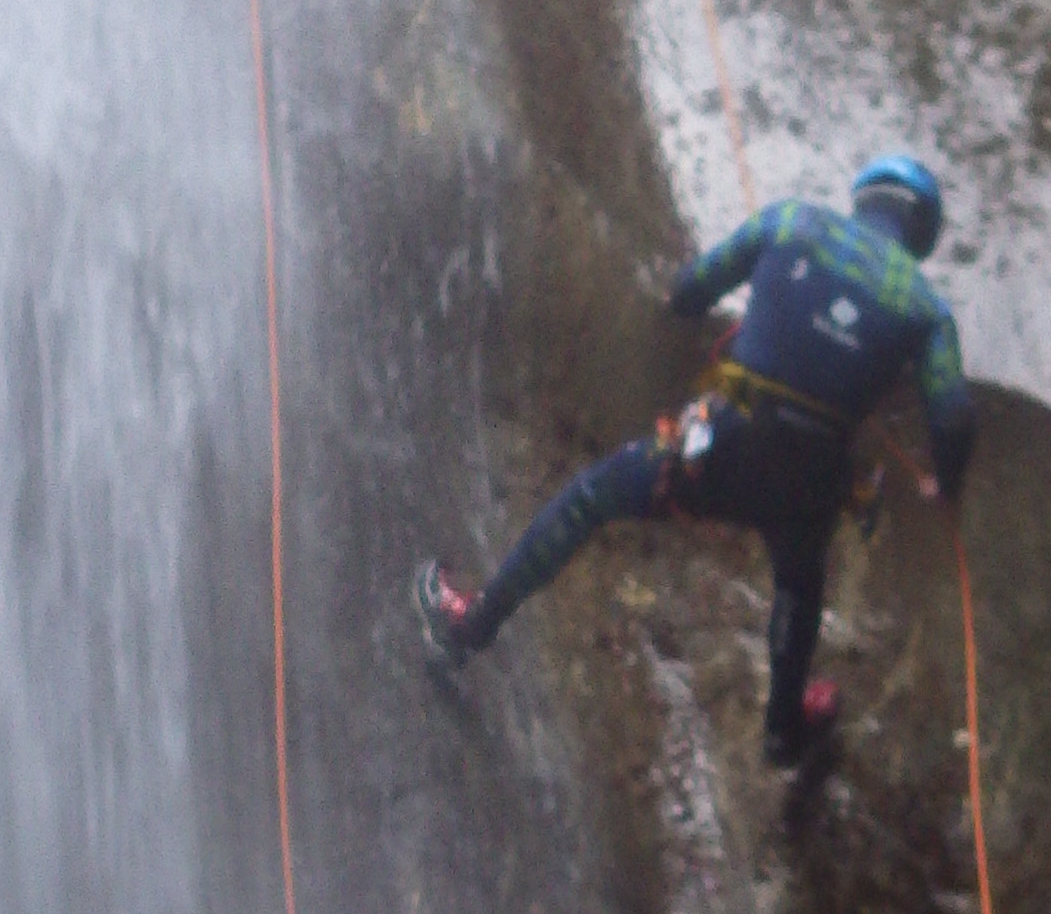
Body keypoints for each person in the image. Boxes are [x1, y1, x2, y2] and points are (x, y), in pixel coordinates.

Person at [416, 153, 973, 766]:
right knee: (799, 586)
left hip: (725, 441)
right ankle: (784, 728)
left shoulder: (792, 221)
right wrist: (940, 481)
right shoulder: (927, 310)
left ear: (864, 198)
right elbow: (952, 417)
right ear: (919, 233)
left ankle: (469, 626)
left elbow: (691, 289)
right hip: (809, 486)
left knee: (592, 497)